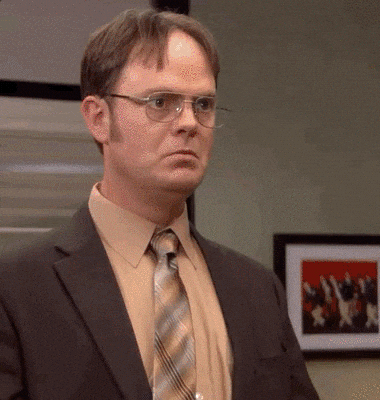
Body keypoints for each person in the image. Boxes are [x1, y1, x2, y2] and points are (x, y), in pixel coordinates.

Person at [0, 9, 320, 400]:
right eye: (161, 101)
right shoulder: (16, 290)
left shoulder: (258, 289)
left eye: (203, 104)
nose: (189, 122)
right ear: (99, 118)